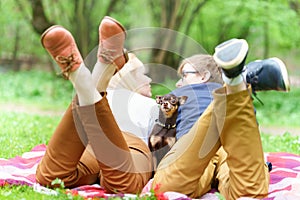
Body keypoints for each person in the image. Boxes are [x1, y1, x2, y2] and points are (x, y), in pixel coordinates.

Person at [35, 16, 288, 199]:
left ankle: (235, 83)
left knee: (173, 186)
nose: (177, 83)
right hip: (127, 135)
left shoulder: (185, 97)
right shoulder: (159, 102)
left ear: (202, 76)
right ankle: (236, 84)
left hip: (194, 146)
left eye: (184, 75)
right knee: (51, 177)